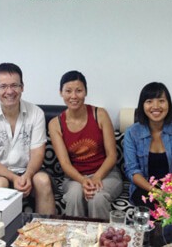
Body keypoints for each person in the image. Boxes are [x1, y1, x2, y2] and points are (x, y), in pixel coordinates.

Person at [0, 63, 55, 215]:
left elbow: (37, 153)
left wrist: (28, 175)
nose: (9, 91)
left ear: (22, 87)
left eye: (14, 85)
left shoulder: (36, 113)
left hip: (28, 170)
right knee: (0, 184)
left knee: (43, 181)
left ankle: (47, 234)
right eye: (3, 86)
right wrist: (13, 177)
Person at [48, 70, 122, 220]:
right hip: (74, 177)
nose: (73, 96)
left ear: (86, 92)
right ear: (61, 93)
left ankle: (102, 240)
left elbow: (112, 155)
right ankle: (74, 240)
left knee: (97, 197)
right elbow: (65, 164)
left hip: (106, 174)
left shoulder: (100, 114)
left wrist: (96, 178)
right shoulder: (55, 124)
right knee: (75, 195)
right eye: (68, 91)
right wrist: (83, 181)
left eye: (79, 90)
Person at [123, 82, 172, 206]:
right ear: (142, 105)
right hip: (146, 188)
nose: (155, 106)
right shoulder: (132, 133)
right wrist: (156, 192)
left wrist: (170, 192)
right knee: (148, 205)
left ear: (168, 104)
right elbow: (132, 171)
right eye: (149, 101)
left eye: (161, 101)